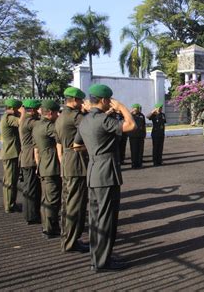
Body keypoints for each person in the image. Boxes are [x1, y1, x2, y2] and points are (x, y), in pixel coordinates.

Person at [73, 84, 136, 272]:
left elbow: (76, 146)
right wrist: (122, 107)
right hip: (106, 174)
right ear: (104, 100)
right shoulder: (102, 120)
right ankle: (102, 262)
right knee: (106, 219)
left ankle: (97, 257)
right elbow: (131, 125)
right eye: (109, 100)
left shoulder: (85, 120)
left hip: (93, 171)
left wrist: (95, 149)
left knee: (95, 219)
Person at [55, 87, 89, 253]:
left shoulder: (61, 116)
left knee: (68, 203)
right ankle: (71, 242)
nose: (82, 103)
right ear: (74, 100)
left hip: (68, 161)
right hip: (76, 162)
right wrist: (90, 111)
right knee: (75, 204)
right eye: (81, 100)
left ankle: (67, 237)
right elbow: (92, 126)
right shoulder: (75, 116)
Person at [32, 99, 62, 239]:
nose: (58, 115)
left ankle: (47, 226)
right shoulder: (49, 127)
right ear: (50, 113)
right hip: (51, 166)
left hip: (43, 164)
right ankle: (50, 229)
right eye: (57, 113)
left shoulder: (37, 125)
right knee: (52, 200)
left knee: (46, 199)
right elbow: (62, 136)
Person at [0, 98, 24, 213]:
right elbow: (22, 123)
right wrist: (23, 113)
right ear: (13, 108)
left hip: (9, 152)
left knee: (11, 180)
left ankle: (10, 203)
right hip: (11, 153)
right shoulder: (9, 118)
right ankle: (9, 205)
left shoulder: (5, 117)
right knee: (10, 181)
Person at [19, 99, 42, 224]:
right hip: (31, 157)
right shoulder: (31, 122)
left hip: (25, 157)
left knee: (29, 188)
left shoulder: (24, 119)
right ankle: (32, 216)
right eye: (38, 109)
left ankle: (29, 214)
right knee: (32, 188)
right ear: (33, 110)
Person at [129, 103, 146, 169]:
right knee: (134, 150)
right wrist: (131, 111)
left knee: (140, 150)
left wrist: (144, 133)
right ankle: (134, 164)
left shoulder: (142, 115)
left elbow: (144, 125)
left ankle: (139, 163)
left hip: (141, 135)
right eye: (137, 108)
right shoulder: (130, 115)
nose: (139, 109)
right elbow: (124, 117)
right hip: (133, 135)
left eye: (139, 108)